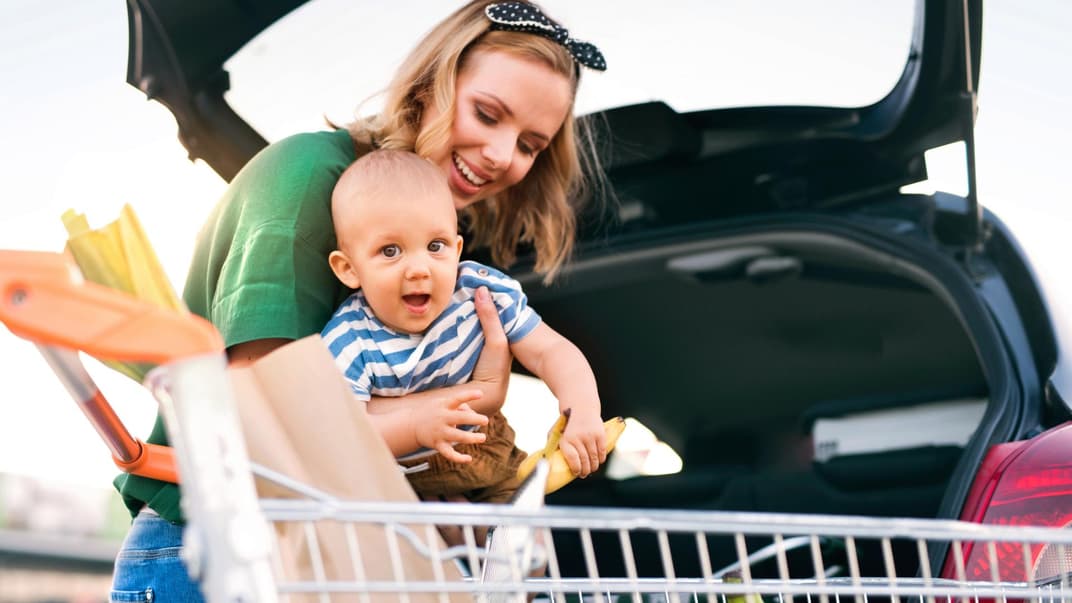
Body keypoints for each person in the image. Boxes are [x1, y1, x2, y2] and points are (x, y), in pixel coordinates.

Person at [110, 1, 608, 600]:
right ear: (431, 86)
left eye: (530, 144)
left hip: (330, 552)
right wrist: (450, 406)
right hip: (213, 551)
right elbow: (267, 416)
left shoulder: (439, 254)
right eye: (487, 114)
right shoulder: (306, 177)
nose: (504, 156)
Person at [321, 149, 605, 506]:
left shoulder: (476, 292)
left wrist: (582, 409)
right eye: (391, 251)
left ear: (457, 250)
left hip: (486, 450)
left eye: (435, 246)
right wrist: (414, 427)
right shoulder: (348, 340)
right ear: (348, 268)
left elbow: (550, 351)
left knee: (524, 546)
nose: (419, 269)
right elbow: (344, 432)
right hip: (398, 482)